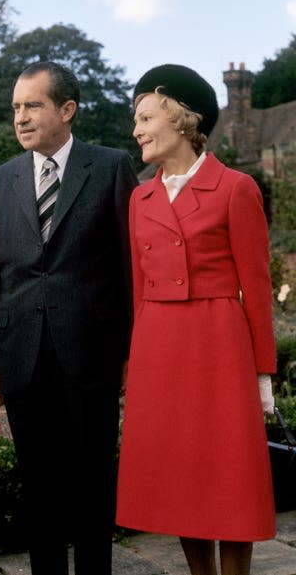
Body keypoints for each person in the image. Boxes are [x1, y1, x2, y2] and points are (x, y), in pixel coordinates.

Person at [0, 60, 139, 575]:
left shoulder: (111, 167)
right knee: (39, 491)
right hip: (22, 355)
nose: (20, 118)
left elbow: (131, 269)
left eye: (32, 105)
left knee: (93, 487)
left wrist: (132, 354)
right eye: (16, 108)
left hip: (90, 357)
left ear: (67, 110)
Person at [116, 64, 276, 575]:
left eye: (144, 117)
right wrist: (133, 363)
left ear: (182, 119)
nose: (136, 129)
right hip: (159, 351)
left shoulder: (236, 187)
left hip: (220, 346)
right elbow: (139, 294)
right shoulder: (138, 199)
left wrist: (263, 372)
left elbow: (257, 286)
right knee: (183, 476)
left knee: (230, 473)